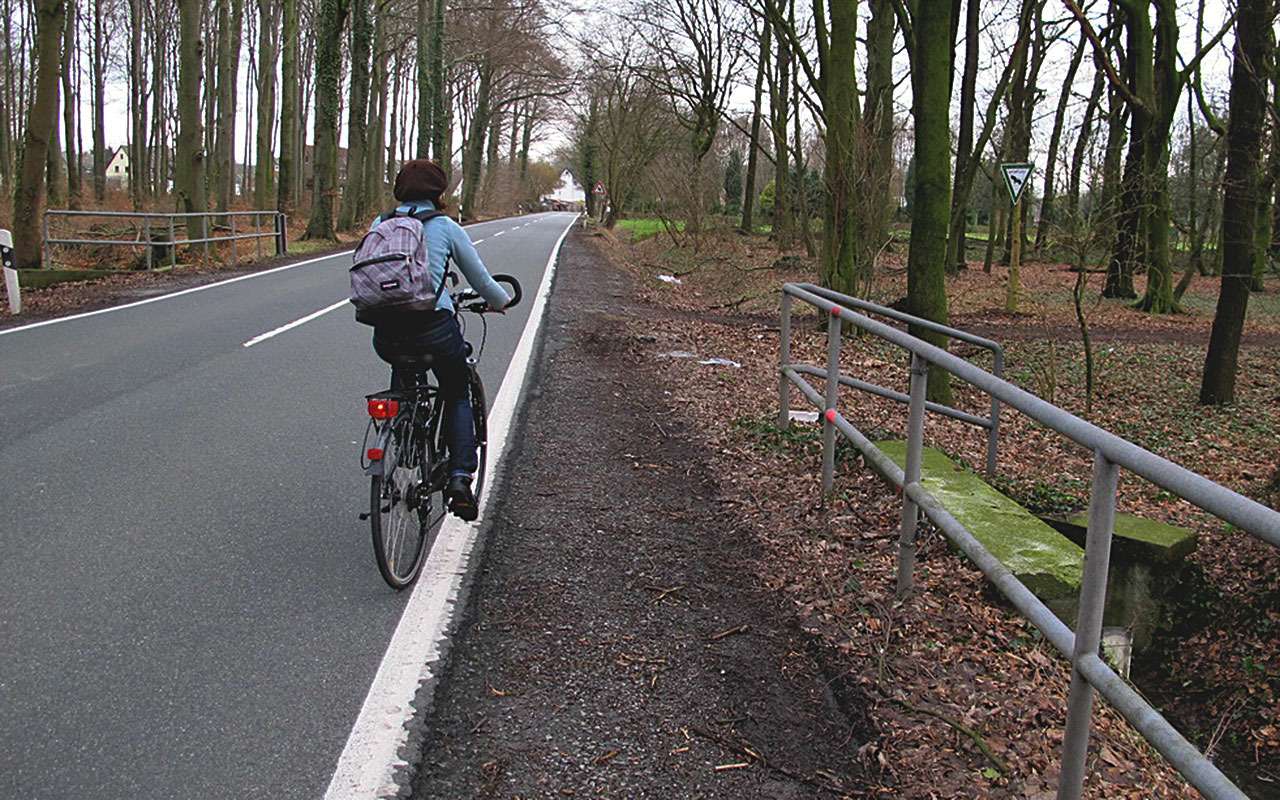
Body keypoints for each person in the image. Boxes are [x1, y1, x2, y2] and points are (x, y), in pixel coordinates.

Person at [370, 159, 511, 521]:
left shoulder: (381, 224)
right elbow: (479, 278)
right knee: (455, 389)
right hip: (433, 328)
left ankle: (403, 438)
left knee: (403, 369)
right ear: (440, 194)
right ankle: (461, 478)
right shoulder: (445, 227)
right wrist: (500, 301)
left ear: (399, 190)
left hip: (386, 332)